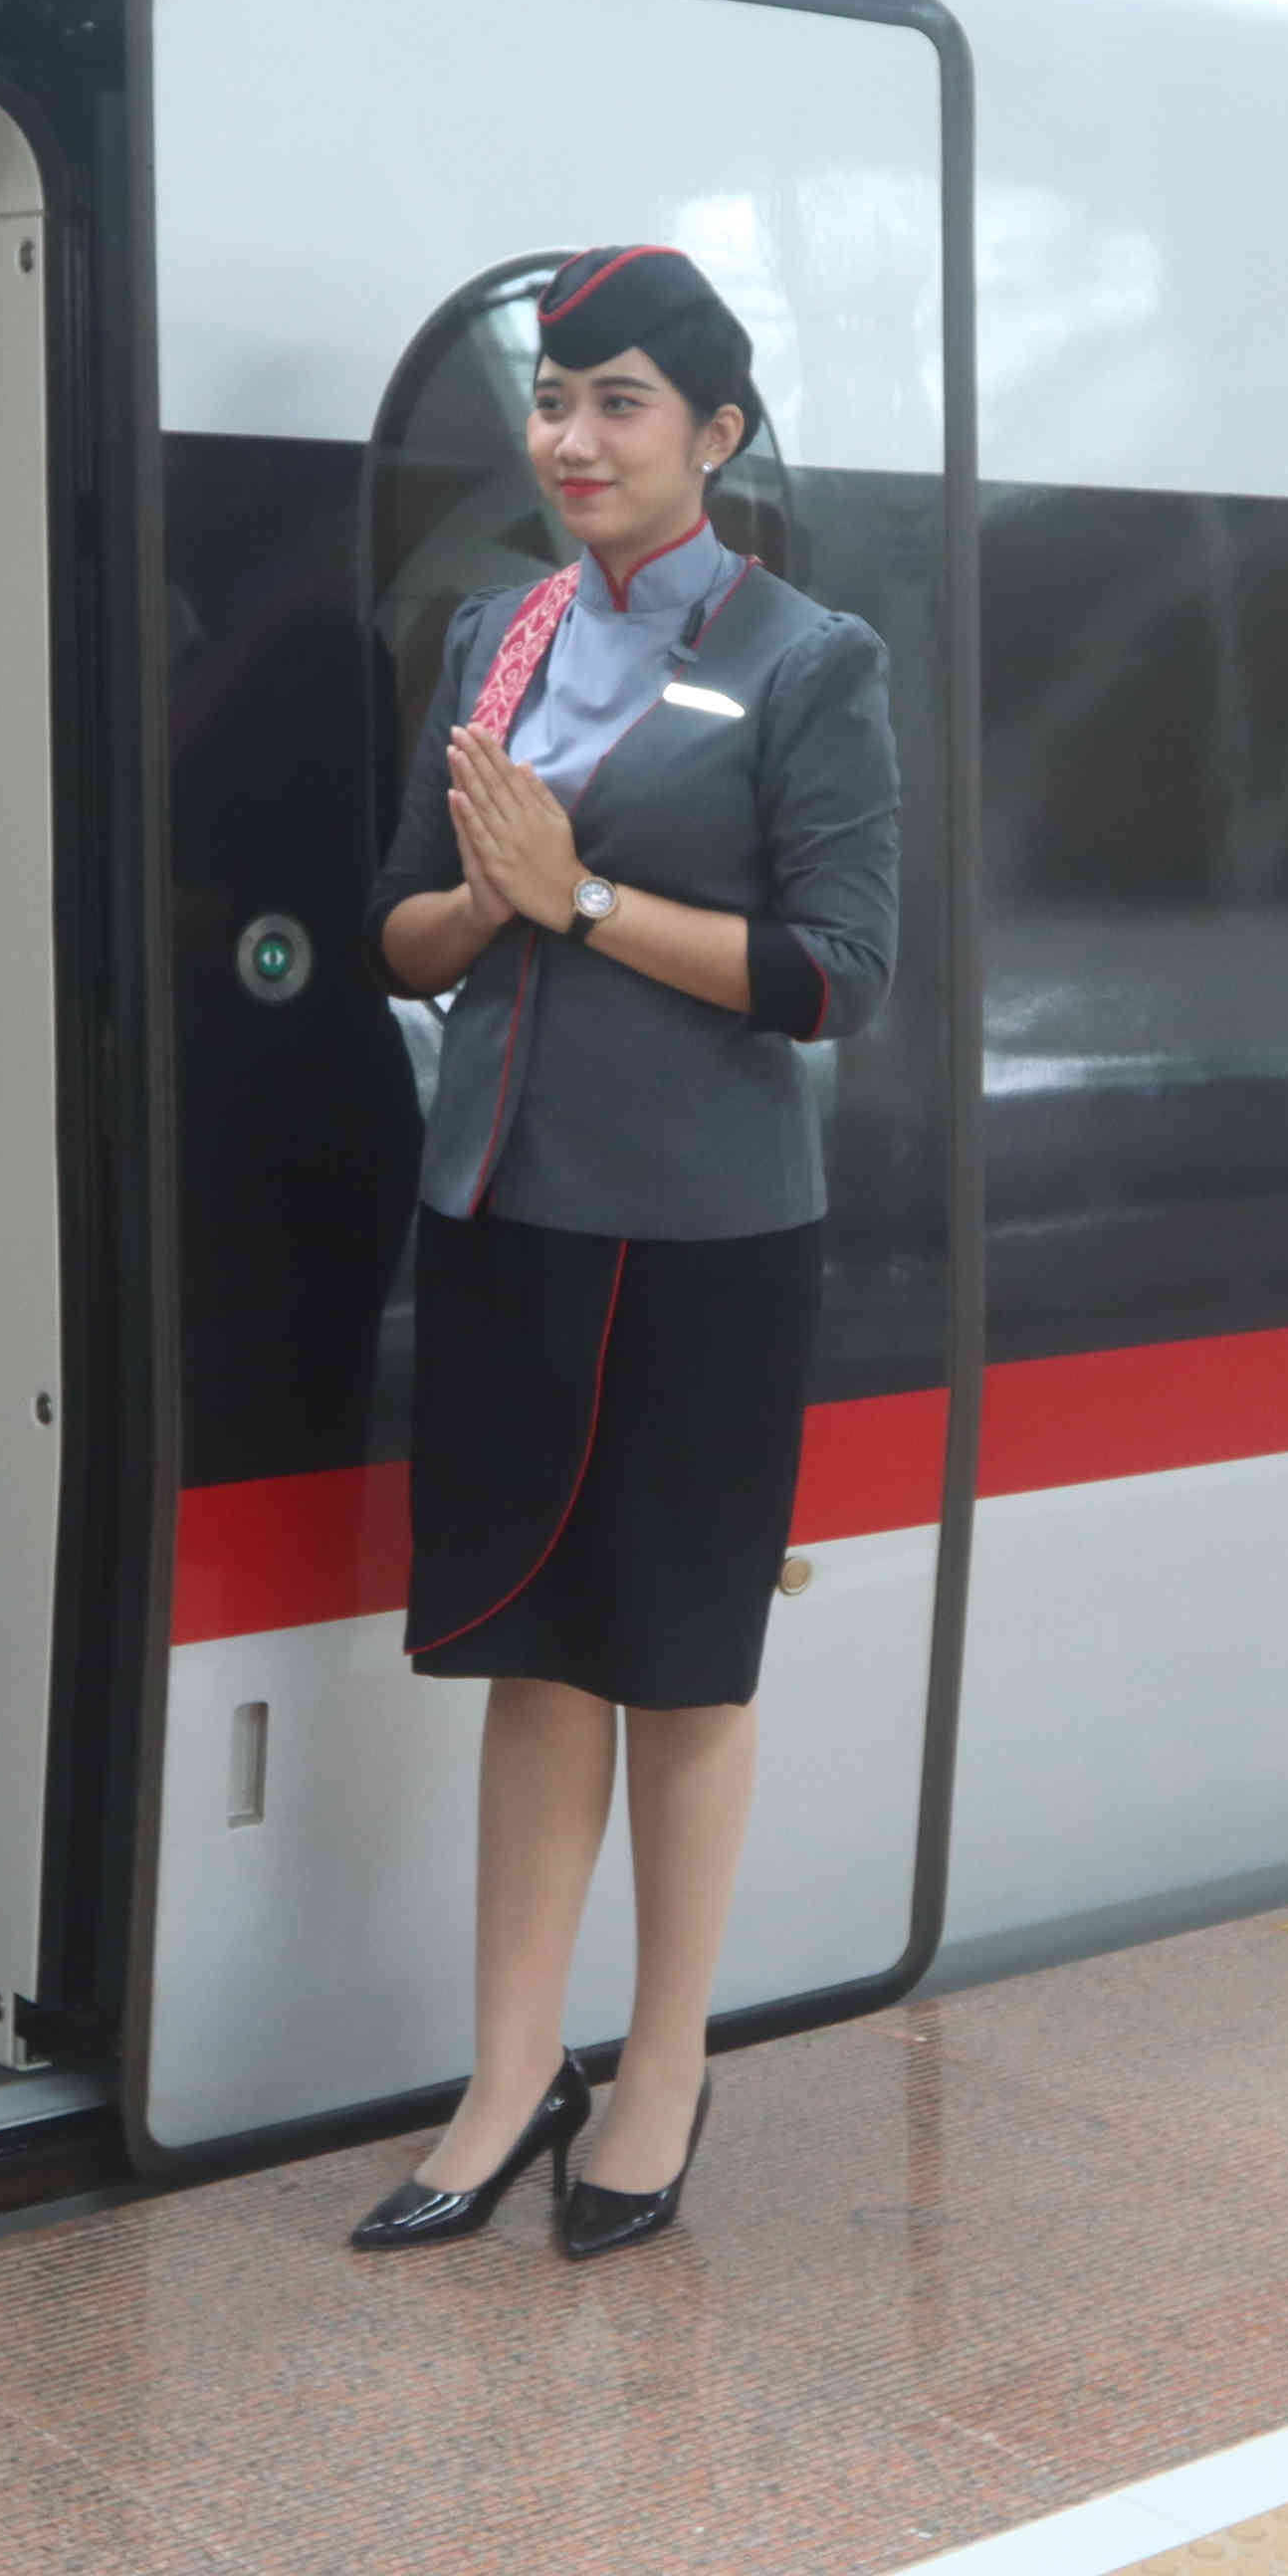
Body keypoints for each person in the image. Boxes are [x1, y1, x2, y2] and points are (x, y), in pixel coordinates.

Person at [354, 244, 897, 2256]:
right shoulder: (497, 636)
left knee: (677, 1657)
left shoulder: (804, 657)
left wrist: (575, 898)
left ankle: (660, 2067)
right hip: (499, 1206)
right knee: (530, 1650)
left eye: (621, 405)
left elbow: (837, 982)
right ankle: (510, 2074)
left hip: (708, 1238)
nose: (573, 437)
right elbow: (402, 928)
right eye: (555, 400)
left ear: (716, 437)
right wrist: (494, 904)